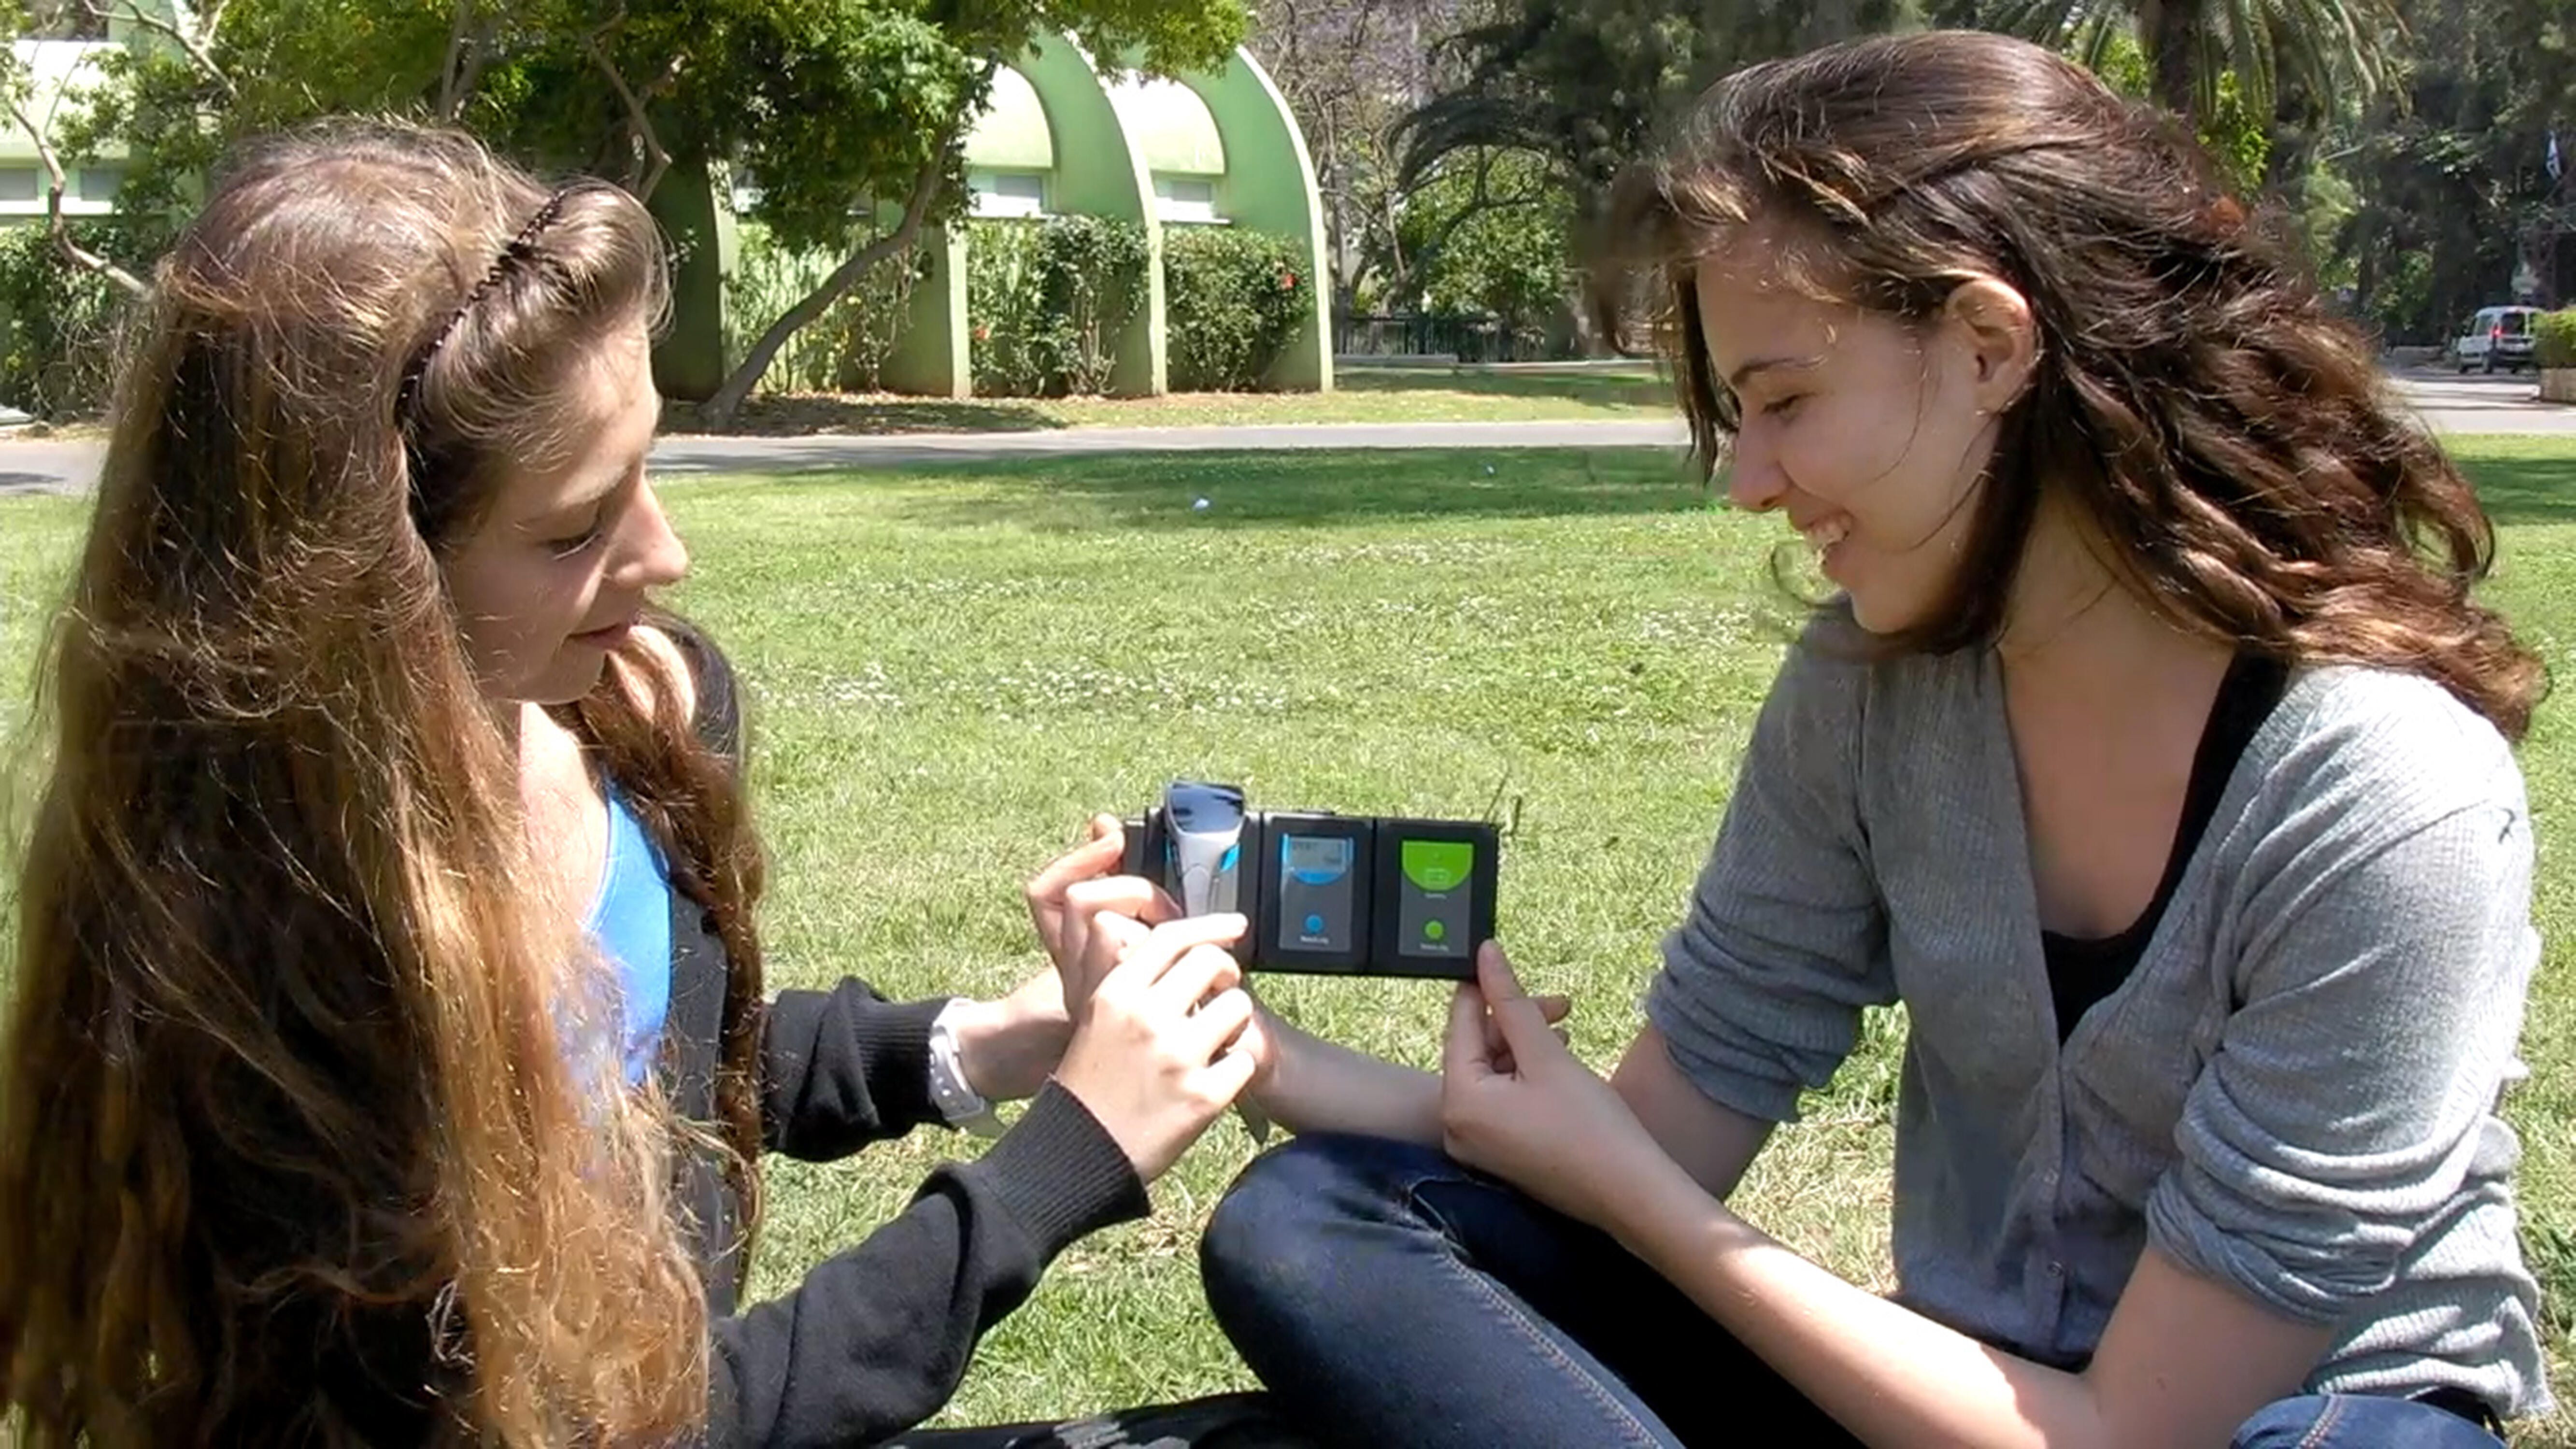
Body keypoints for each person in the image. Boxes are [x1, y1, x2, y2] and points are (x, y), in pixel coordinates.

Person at [1194, 29, 2553, 1449]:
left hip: (2282, 1420)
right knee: (1320, 1221)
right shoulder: (1869, 690)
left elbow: (2129, 1433)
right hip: (1943, 1395)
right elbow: (1658, 1133)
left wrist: (1642, 1203)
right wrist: (1255, 1053)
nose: (1747, 481)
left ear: (1989, 346)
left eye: (1785, 401)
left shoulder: (2383, 796)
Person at [0, 120, 1283, 1448]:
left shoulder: (632, 710)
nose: (663, 557)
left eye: (646, 466)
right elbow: (643, 1429)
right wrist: (1063, 1164)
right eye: (575, 529)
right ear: (355, 585)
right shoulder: (277, 966)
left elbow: (660, 1060)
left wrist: (980, 1047)